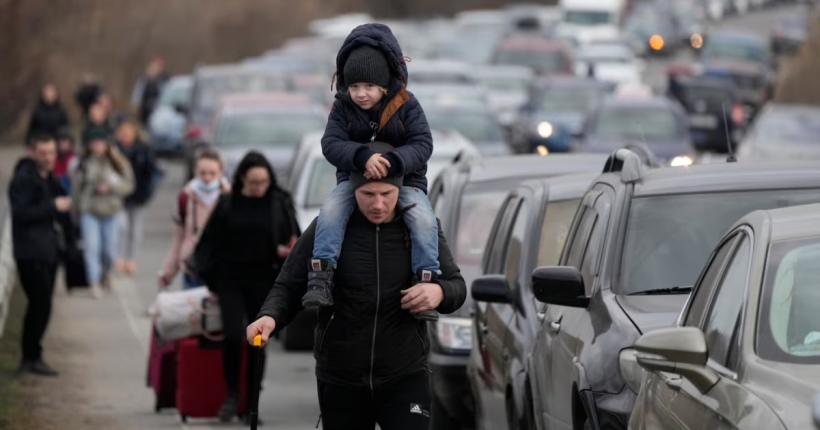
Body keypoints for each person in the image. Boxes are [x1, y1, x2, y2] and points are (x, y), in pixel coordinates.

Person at [246, 142, 467, 430]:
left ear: (400, 190)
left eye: (387, 194)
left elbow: (457, 287)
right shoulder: (327, 229)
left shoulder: (421, 230)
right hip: (341, 375)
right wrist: (269, 316)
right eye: (368, 194)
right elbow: (289, 284)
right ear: (352, 191)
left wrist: (438, 292)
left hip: (405, 373)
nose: (378, 204)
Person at [304, 23, 440, 323]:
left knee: (423, 219)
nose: (361, 94)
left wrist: (393, 162)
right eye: (354, 87)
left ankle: (426, 279)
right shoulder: (342, 108)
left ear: (384, 85)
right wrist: (360, 155)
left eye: (368, 87)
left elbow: (422, 143)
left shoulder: (407, 105)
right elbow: (330, 143)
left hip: (406, 181)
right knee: (330, 211)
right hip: (353, 182)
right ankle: (321, 276)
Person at [191, 151, 299, 423]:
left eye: (263, 182)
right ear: (241, 179)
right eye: (253, 182)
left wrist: (288, 249)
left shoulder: (279, 202)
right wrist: (210, 280)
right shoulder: (227, 203)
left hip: (264, 280)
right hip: (229, 280)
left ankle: (253, 401)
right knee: (231, 337)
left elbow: (294, 237)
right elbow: (208, 244)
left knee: (258, 341)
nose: (258, 187)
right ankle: (232, 394)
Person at [9, 135, 75, 376]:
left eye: (51, 152)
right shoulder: (23, 179)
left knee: (43, 305)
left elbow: (64, 212)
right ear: (32, 152)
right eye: (43, 153)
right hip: (29, 252)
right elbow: (21, 213)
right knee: (40, 304)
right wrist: (53, 207)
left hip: (49, 251)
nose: (48, 158)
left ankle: (34, 355)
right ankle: (29, 357)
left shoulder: (53, 180)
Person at [71, 130, 134, 298]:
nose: (97, 146)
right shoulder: (83, 163)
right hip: (89, 209)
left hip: (111, 210)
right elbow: (76, 189)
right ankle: (94, 281)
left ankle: (107, 274)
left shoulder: (118, 163)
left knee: (109, 249)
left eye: (101, 143)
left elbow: (129, 185)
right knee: (92, 248)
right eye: (94, 143)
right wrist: (75, 212)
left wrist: (111, 187)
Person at [159, 149, 230, 290]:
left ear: (221, 172)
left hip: (221, 269)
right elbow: (178, 239)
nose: (207, 178)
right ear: (195, 171)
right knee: (191, 310)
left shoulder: (230, 198)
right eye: (202, 173)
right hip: (193, 267)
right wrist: (167, 272)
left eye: (212, 173)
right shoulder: (186, 197)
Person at [115, 119, 158, 274]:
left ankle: (131, 259)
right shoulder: (114, 151)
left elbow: (153, 173)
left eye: (129, 130)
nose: (125, 134)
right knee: (122, 228)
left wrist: (148, 192)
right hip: (120, 197)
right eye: (122, 130)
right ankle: (119, 257)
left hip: (139, 197)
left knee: (135, 230)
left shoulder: (143, 150)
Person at [131, 56, 169, 125]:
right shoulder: (144, 80)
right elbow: (137, 95)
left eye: (160, 65)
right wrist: (135, 107)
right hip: (145, 111)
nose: (157, 68)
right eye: (156, 65)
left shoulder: (165, 80)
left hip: (159, 112)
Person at [54, 128, 78, 194]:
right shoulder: (53, 158)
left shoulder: (75, 159)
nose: (61, 145)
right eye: (59, 142)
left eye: (64, 141)